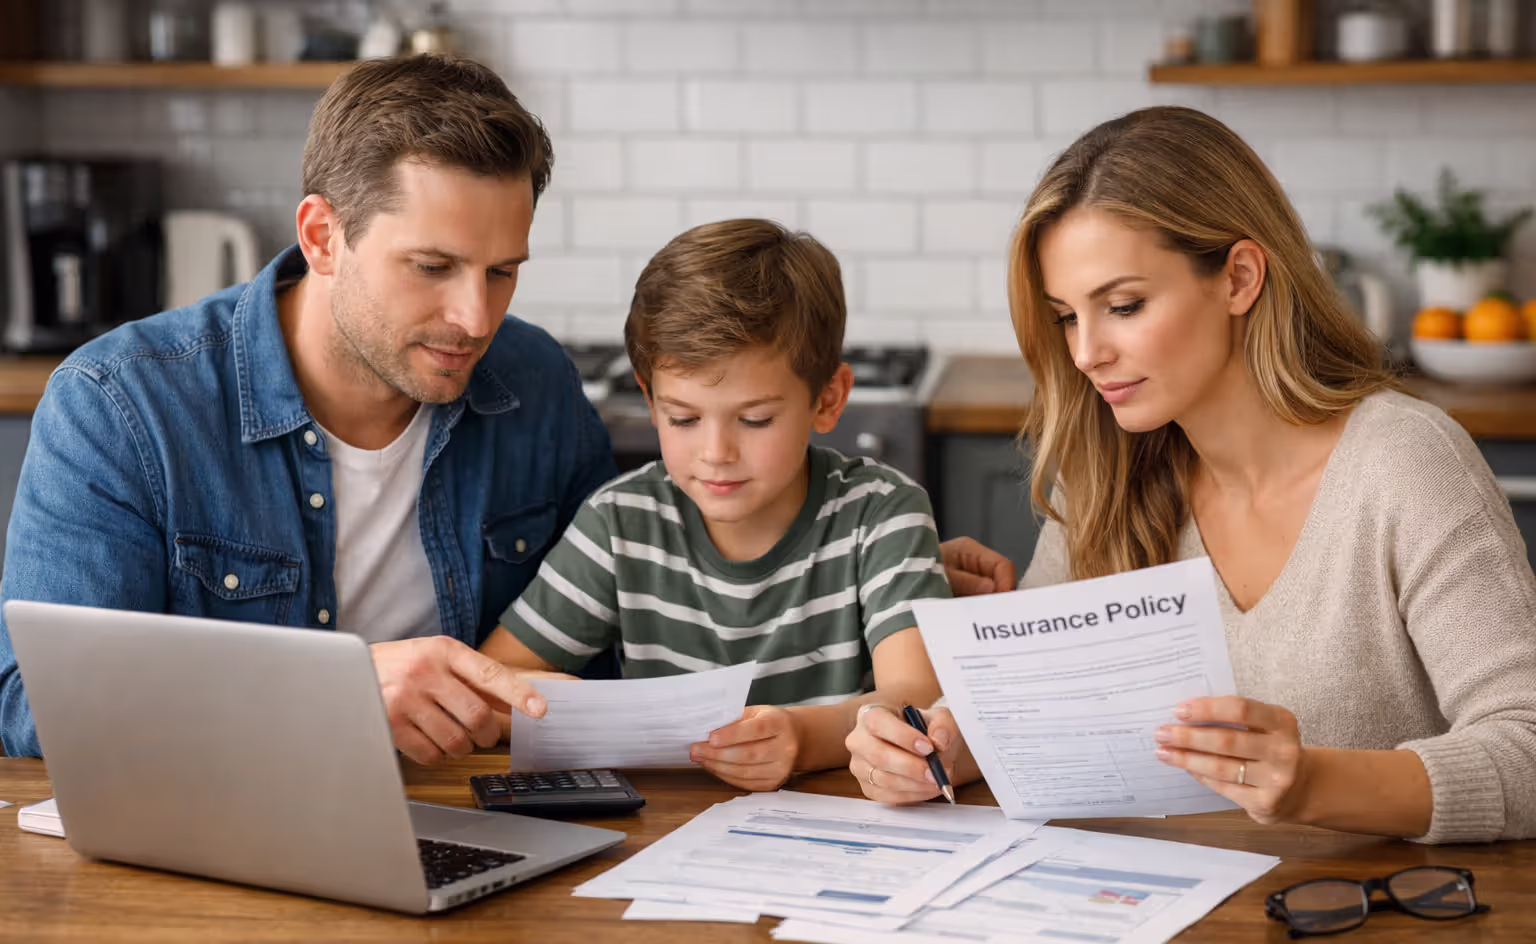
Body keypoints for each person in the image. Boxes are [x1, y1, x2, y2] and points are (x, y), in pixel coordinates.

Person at [847, 106, 1536, 844]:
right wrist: (947, 743)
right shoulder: (1106, 472)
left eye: (1122, 306)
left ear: (1238, 278)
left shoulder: (1404, 464)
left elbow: (1525, 748)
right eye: (1066, 318)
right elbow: (1041, 716)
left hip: (1374, 930)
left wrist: (1308, 782)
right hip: (1168, 928)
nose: (1086, 354)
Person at [0, 55, 616, 762]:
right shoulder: (119, 404)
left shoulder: (537, 384)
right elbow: (36, 704)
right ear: (322, 237)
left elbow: (611, 648)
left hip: (475, 816)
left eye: (502, 271)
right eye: (432, 267)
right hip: (227, 831)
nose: (476, 318)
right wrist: (333, 698)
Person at [480, 219, 952, 791]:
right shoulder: (620, 524)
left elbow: (914, 698)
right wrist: (606, 712)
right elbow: (493, 686)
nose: (715, 453)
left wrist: (800, 738)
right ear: (650, 401)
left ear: (827, 400)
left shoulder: (881, 514)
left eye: (754, 420)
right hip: (660, 830)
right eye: (683, 418)